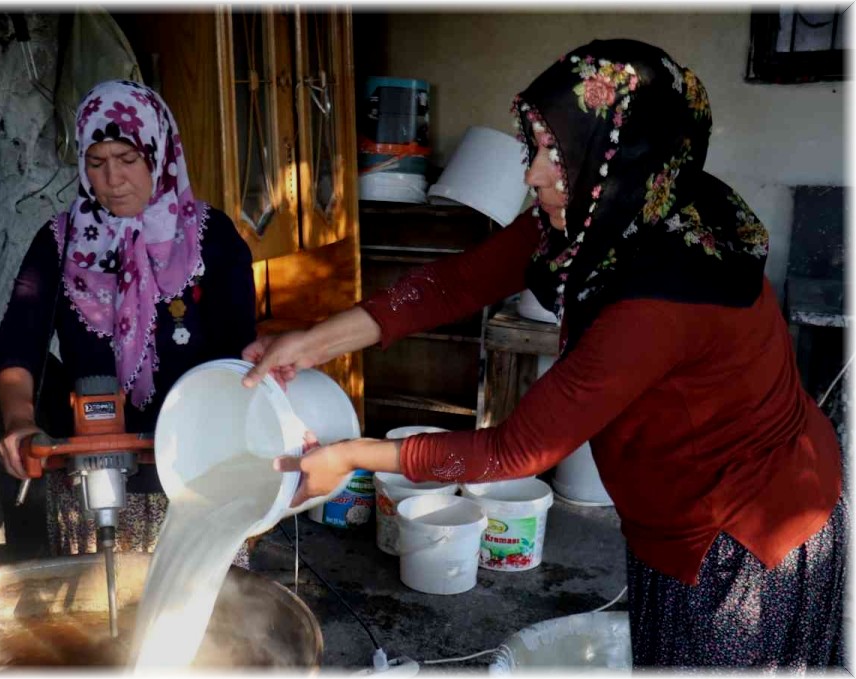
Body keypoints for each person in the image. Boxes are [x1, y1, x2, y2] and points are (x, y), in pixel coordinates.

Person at [243, 40, 846, 669]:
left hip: (744, 531)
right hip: (686, 502)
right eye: (536, 148)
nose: (532, 174)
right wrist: (307, 344)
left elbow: (514, 451)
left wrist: (350, 456)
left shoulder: (658, 298)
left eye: (554, 156)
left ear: (619, 156)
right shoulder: (615, 208)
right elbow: (454, 284)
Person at [0, 80, 257, 561]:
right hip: (91, 477)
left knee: (208, 614)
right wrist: (19, 421)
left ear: (159, 153)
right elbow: (17, 345)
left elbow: (240, 358)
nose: (113, 180)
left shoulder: (211, 240)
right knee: (93, 606)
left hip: (199, 468)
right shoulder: (60, 243)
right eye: (97, 163)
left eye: (128, 160)